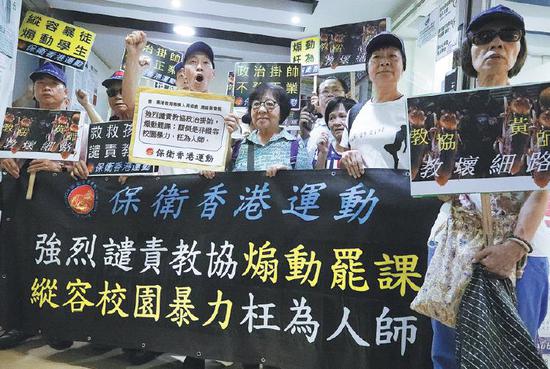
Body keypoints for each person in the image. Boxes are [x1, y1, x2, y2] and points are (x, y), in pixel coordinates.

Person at [428, 5, 549, 369]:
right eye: (484, 37)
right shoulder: (445, 111)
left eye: (508, 35)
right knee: (448, 352)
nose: (496, 43)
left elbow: (542, 185)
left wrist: (516, 244)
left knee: (513, 350)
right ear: (470, 51)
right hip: (452, 244)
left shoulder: (541, 110)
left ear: (519, 49)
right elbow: (442, 189)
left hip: (524, 249)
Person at [0, 62, 74, 350]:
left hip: (56, 209)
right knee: (18, 262)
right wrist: (4, 157)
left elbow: (85, 168)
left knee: (55, 266)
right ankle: (18, 324)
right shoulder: (21, 123)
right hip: (20, 205)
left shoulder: (74, 124)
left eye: (53, 83)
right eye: (40, 83)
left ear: (64, 91)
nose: (45, 88)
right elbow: (7, 155)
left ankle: (56, 326)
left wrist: (59, 166)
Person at [339, 32, 408, 177]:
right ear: (367, 68)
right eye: (376, 57)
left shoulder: (415, 111)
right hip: (365, 197)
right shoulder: (354, 113)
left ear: (403, 66)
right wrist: (346, 159)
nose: (384, 62)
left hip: (403, 198)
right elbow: (344, 164)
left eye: (392, 56)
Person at [299, 77, 348, 158]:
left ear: (346, 95)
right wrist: (304, 135)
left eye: (335, 90)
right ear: (318, 98)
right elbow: (303, 163)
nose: (330, 94)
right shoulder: (311, 125)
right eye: (325, 91)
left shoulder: (354, 123)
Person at [314, 97, 356, 169]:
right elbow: (317, 179)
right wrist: (323, 153)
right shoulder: (322, 148)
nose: (336, 123)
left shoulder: (363, 149)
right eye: (331, 118)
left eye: (342, 116)